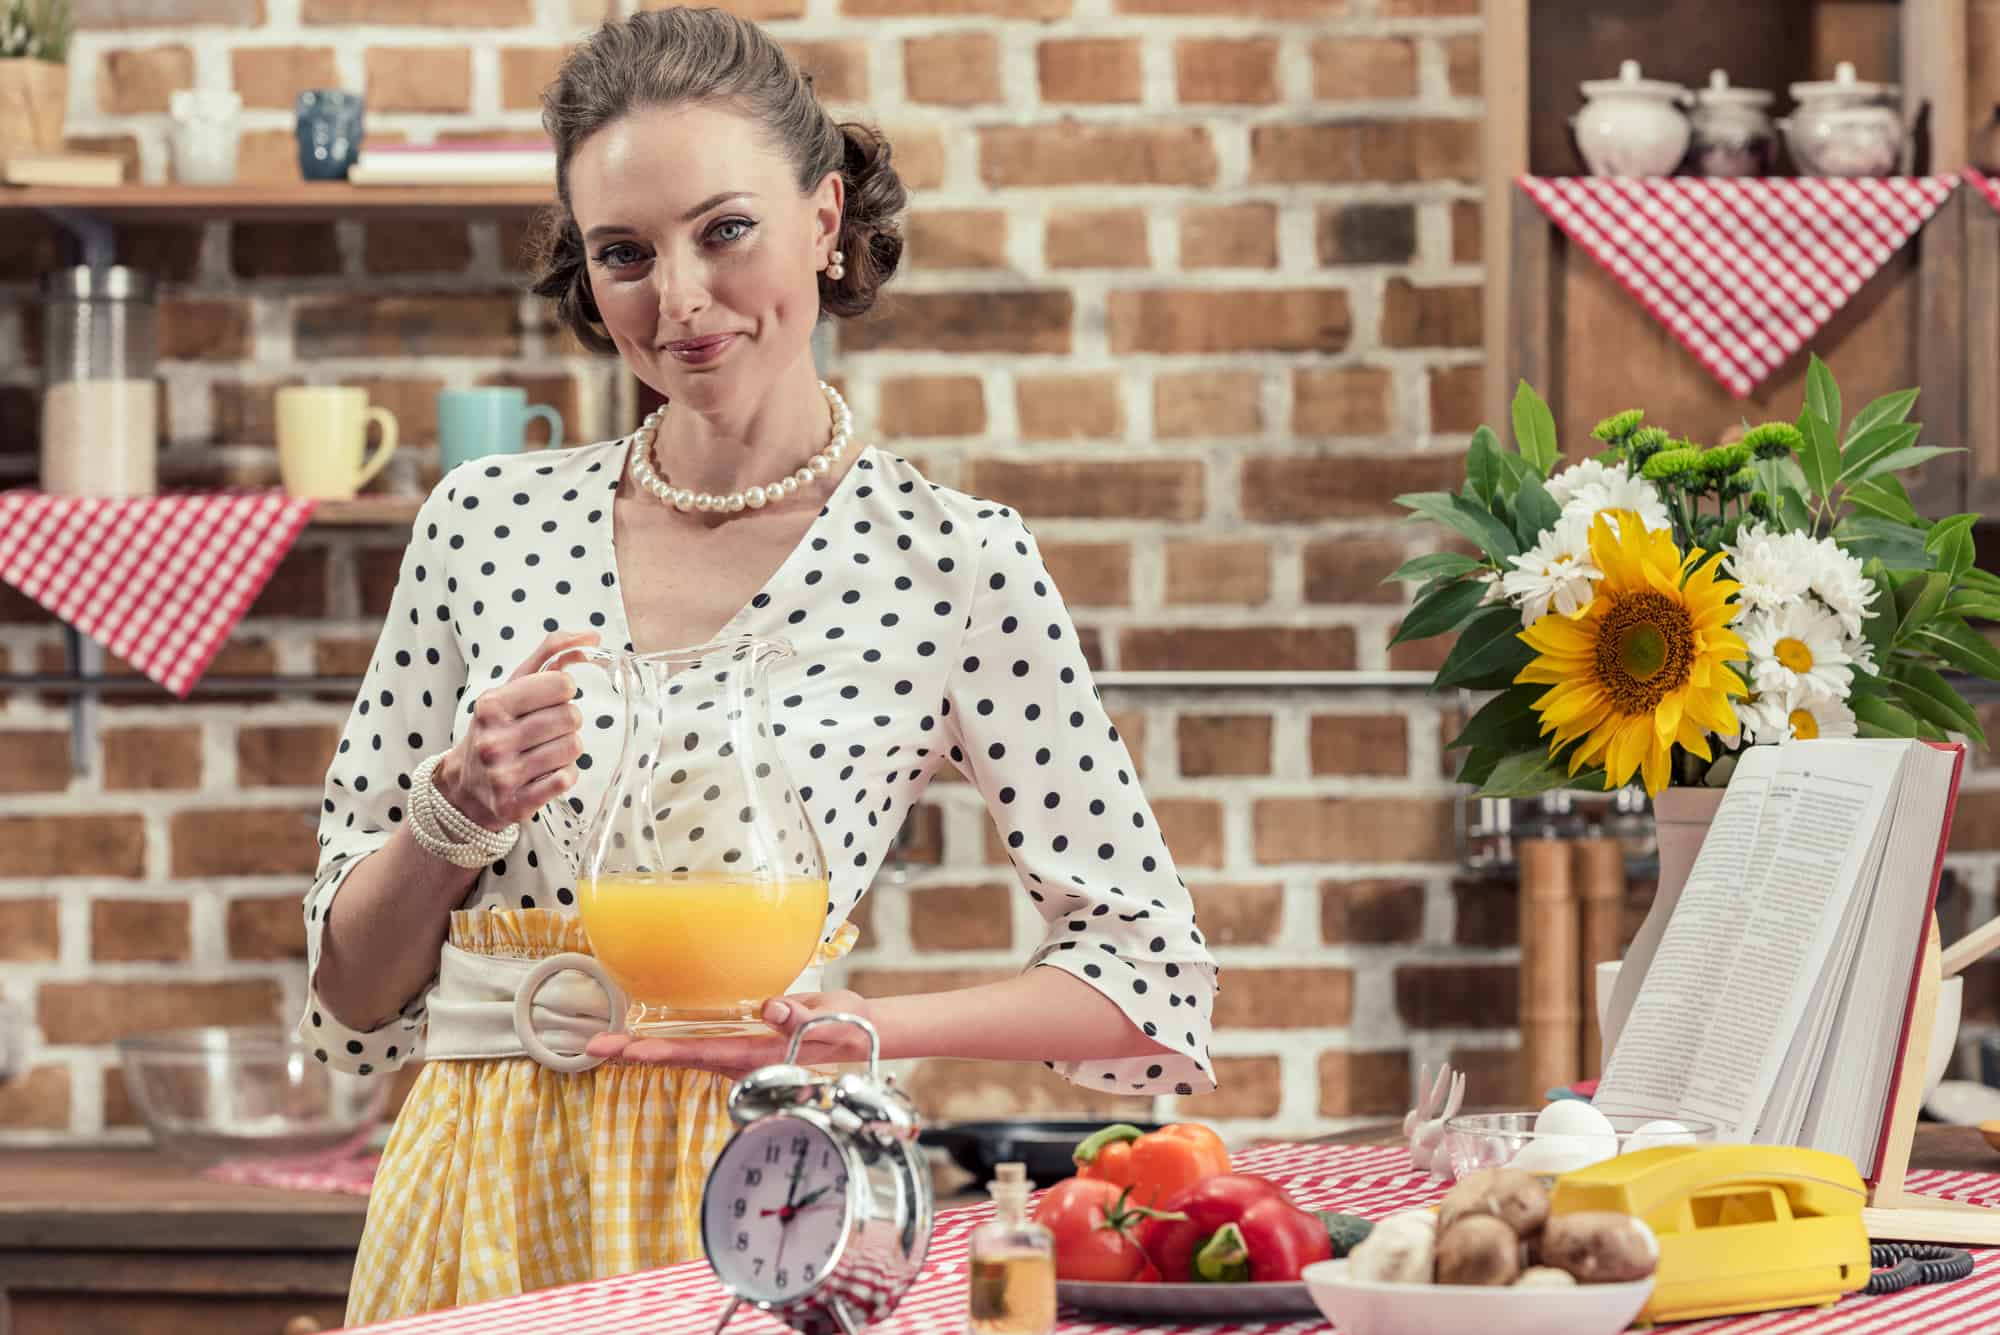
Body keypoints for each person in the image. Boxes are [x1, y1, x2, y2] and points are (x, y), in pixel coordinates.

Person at [301, 7, 1219, 1322]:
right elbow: (350, 993)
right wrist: (451, 813)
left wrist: (862, 1027)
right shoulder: (481, 523)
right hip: (475, 1201)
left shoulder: (951, 561)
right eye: (625, 253)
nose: (679, 302)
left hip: (773, 1192)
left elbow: (1150, 985)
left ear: (826, 217)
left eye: (724, 231)